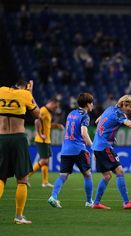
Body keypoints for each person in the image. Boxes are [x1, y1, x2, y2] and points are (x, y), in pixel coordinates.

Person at [0, 80, 40, 224]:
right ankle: (19, 216)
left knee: (1, 177)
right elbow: (38, 114)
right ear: (25, 87)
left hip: (2, 137)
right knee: (22, 179)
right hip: (18, 138)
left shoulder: (1, 90)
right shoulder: (25, 94)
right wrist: (30, 93)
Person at [48, 93, 94, 208]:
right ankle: (89, 202)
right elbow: (84, 133)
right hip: (78, 148)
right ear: (88, 104)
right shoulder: (85, 116)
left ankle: (53, 197)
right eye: (92, 103)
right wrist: (92, 146)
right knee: (88, 175)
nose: (93, 105)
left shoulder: (71, 113)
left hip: (65, 149)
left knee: (63, 175)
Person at [28, 97, 64, 187]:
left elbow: (47, 125)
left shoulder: (48, 112)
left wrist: (56, 125)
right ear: (52, 103)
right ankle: (26, 176)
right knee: (44, 160)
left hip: (46, 140)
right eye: (56, 106)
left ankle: (45, 182)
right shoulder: (43, 110)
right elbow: (36, 121)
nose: (56, 108)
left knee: (46, 161)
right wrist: (40, 134)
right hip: (42, 140)